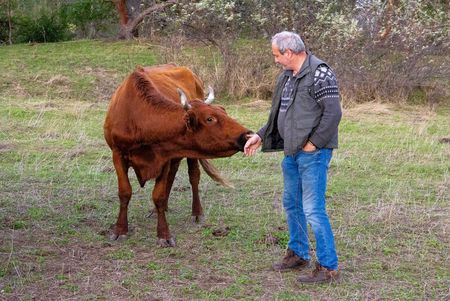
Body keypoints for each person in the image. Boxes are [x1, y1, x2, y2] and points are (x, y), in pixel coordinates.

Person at [244, 31, 342, 284]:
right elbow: (281, 112)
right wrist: (261, 135)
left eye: (277, 55)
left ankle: (328, 268)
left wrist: (313, 145)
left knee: (313, 210)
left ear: (289, 52)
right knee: (292, 204)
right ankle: (298, 253)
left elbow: (333, 114)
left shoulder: (321, 73)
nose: (276, 60)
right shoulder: (288, 76)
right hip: (291, 152)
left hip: (313, 154)